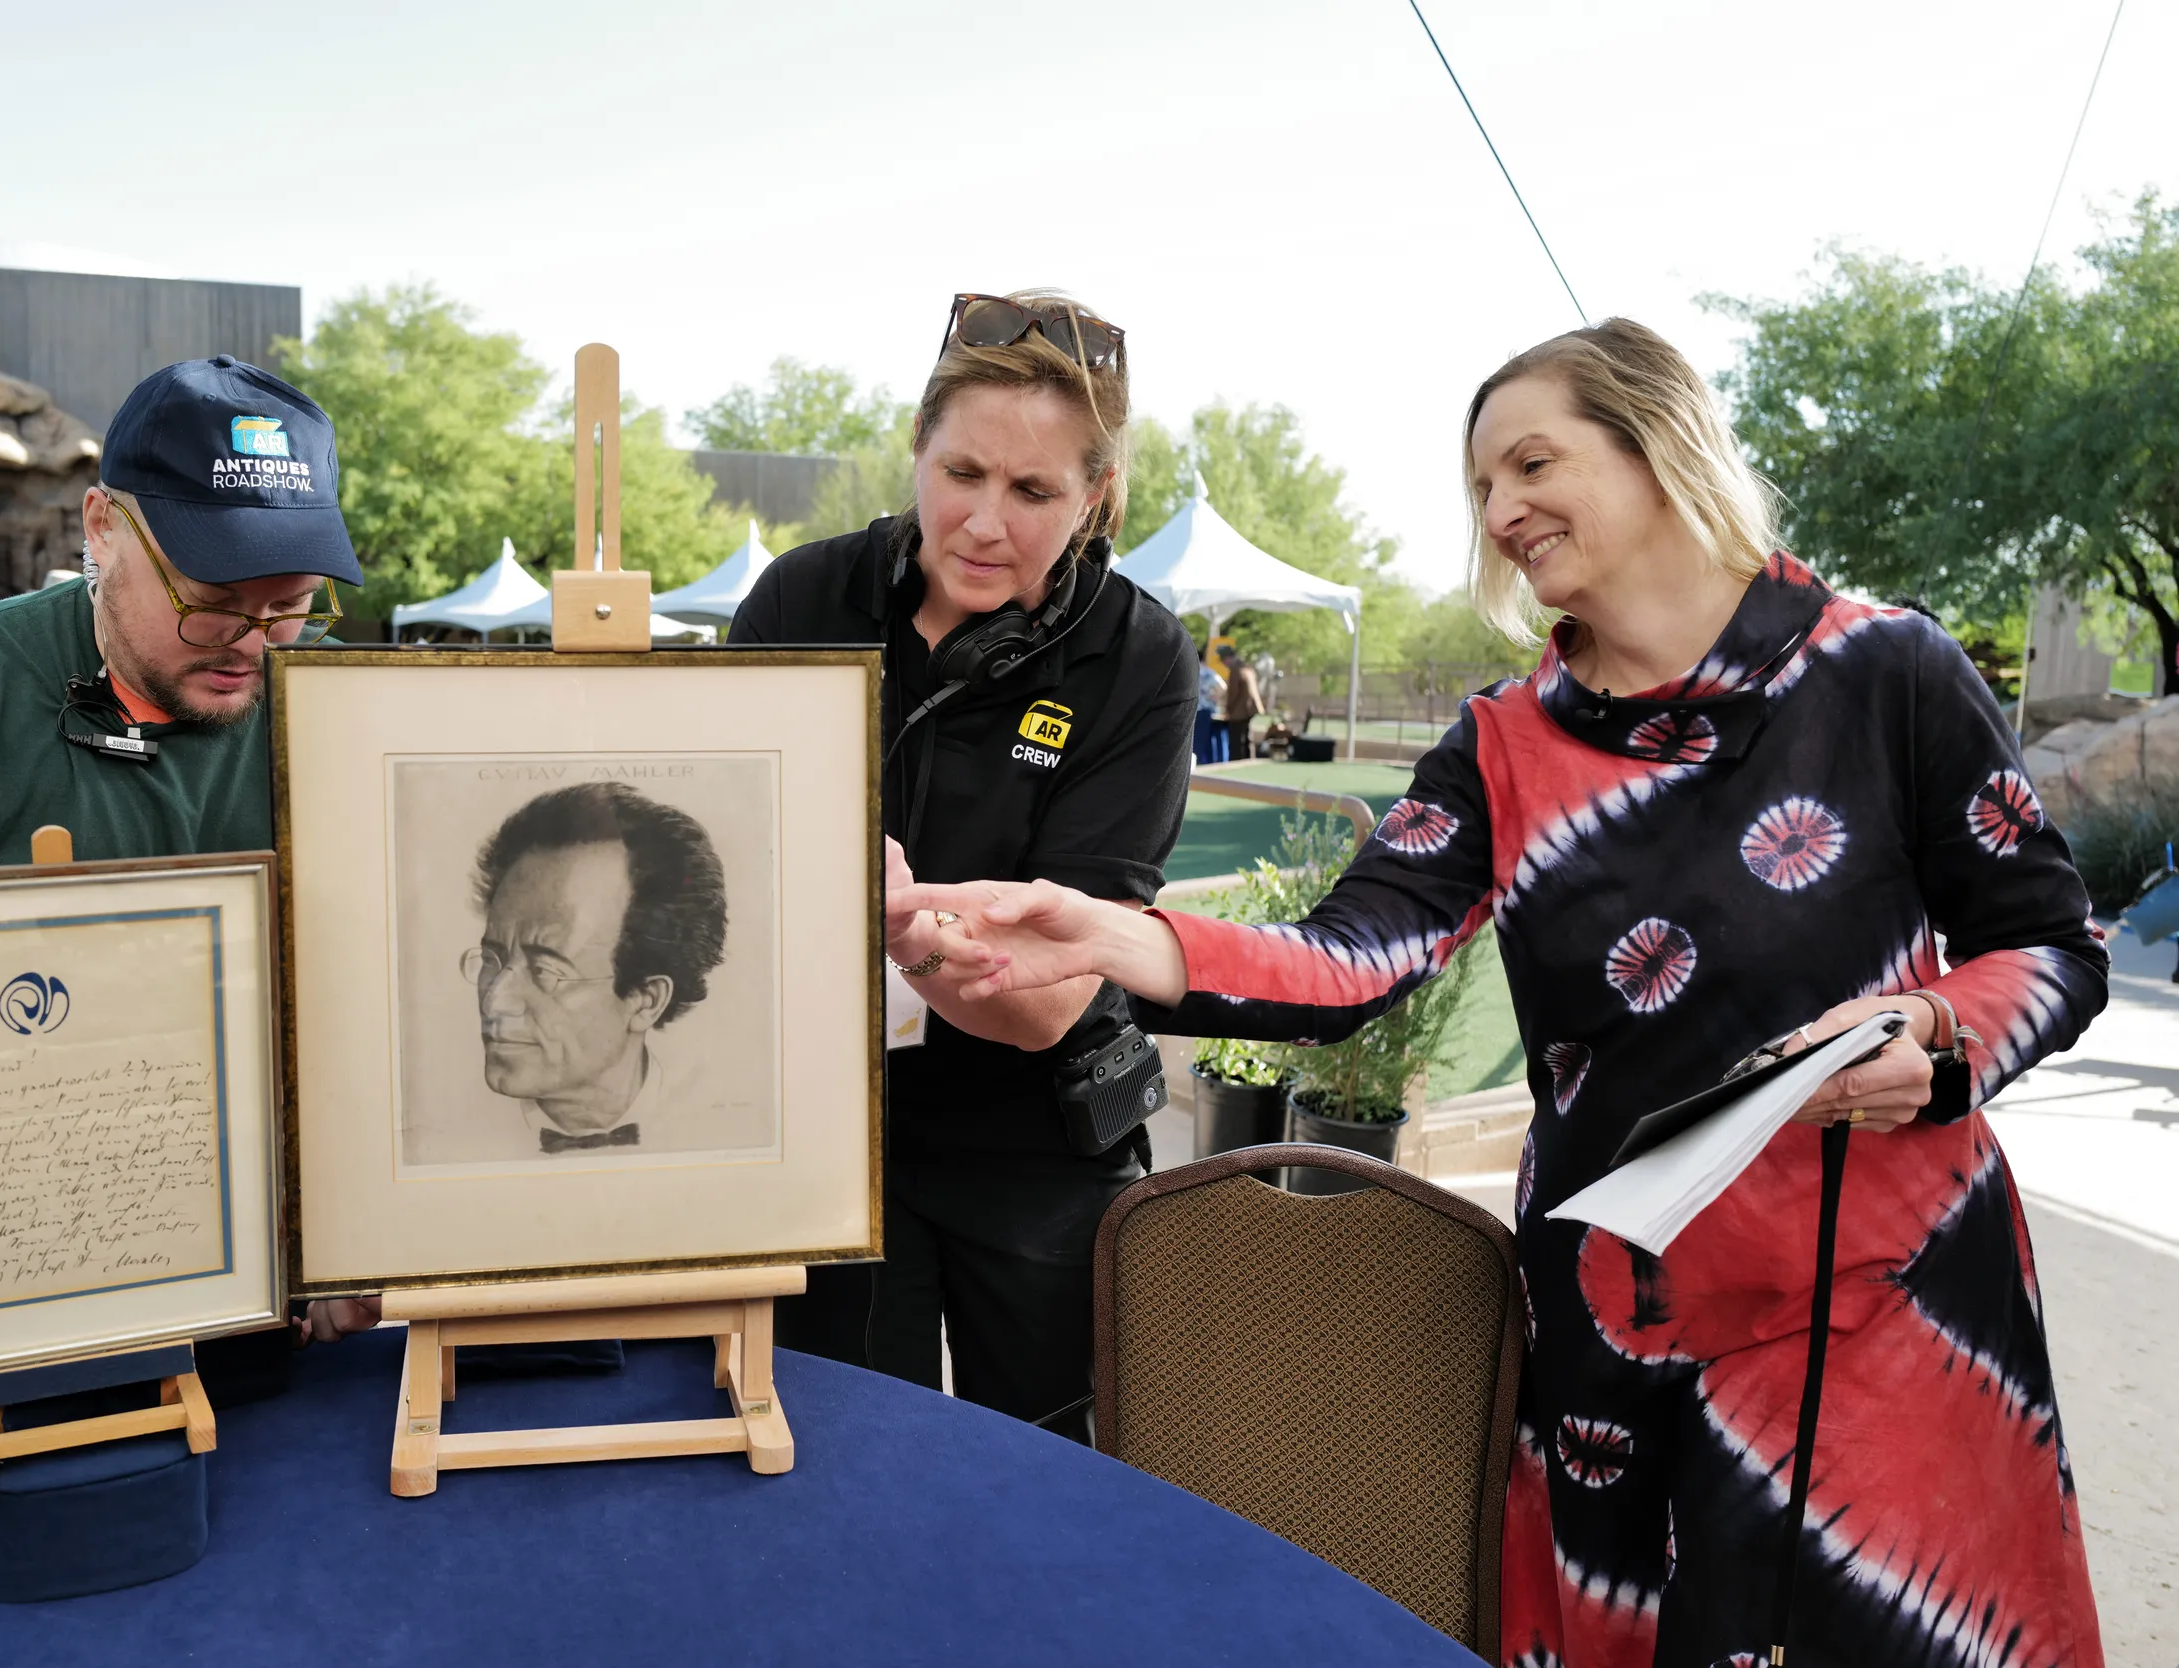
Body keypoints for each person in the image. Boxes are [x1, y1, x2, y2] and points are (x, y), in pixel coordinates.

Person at [893, 319, 2109, 1662]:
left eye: (1535, 463)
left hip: (1893, 1318)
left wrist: (1940, 1036)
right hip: (1617, 1333)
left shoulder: (1885, 673)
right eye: (1482, 485)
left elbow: (2051, 945)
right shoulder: (1502, 744)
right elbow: (1352, 959)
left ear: (1661, 448)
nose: (1503, 510)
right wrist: (1113, 936)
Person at [0, 355, 380, 1468]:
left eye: (291, 605)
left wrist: (367, 1232)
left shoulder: (347, 717)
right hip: (29, 1341)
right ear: (100, 526)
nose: (253, 643)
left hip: (304, 1334)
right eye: (211, 604)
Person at [728, 290, 1196, 1440]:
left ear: (1094, 498)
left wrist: (895, 926)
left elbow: (1048, 1007)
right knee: (838, 1466)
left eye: (1034, 492)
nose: (985, 522)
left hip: (1032, 1151)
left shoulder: (1139, 657)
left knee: (1042, 1484)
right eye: (962, 474)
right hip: (830, 1142)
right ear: (918, 454)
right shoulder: (802, 598)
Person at [459, 781, 729, 1156]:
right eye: (492, 960)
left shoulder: (726, 1132)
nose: (495, 1000)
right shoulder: (442, 1143)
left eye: (546, 972)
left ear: (645, 1000)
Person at [1218, 641, 1262, 760]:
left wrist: (1228, 709)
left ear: (1227, 658)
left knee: (1236, 741)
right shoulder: (1247, 668)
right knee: (1247, 738)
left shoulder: (1235, 670)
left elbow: (1233, 692)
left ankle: (1236, 763)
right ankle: (1249, 761)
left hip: (1239, 711)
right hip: (1251, 708)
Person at [1193, 652, 1228, 764]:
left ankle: (1194, 762)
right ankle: (1205, 763)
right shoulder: (1209, 673)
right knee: (1205, 738)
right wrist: (1213, 697)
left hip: (1192, 710)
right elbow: (1223, 687)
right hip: (1205, 710)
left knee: (1194, 740)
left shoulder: (1190, 672)